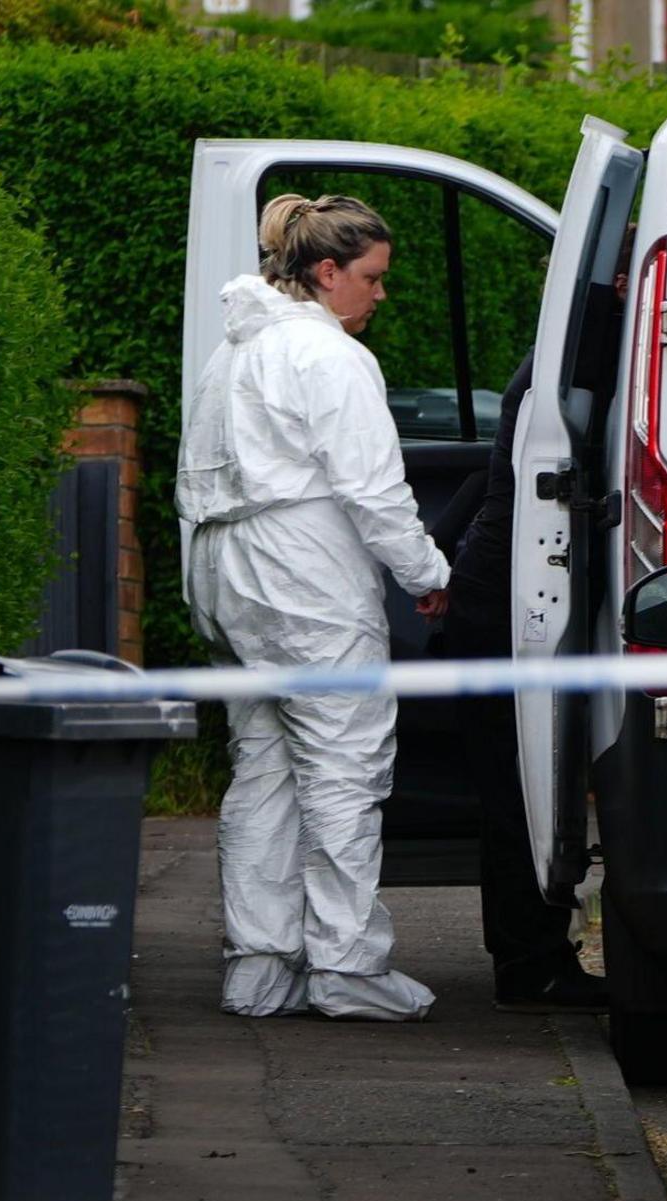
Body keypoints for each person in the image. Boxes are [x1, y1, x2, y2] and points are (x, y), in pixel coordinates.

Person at [178, 194, 451, 1020]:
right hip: (305, 579)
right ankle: (346, 965)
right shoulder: (328, 358)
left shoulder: (234, 354)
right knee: (343, 765)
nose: (379, 293)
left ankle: (260, 965)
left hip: (228, 573)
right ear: (326, 271)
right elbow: (373, 489)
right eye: (371, 277)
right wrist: (425, 571)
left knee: (263, 768)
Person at [423, 357, 608, 1011]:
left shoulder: (551, 364)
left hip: (493, 591)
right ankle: (530, 965)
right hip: (507, 598)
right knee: (520, 790)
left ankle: (530, 957)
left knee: (516, 788)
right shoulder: (575, 366)